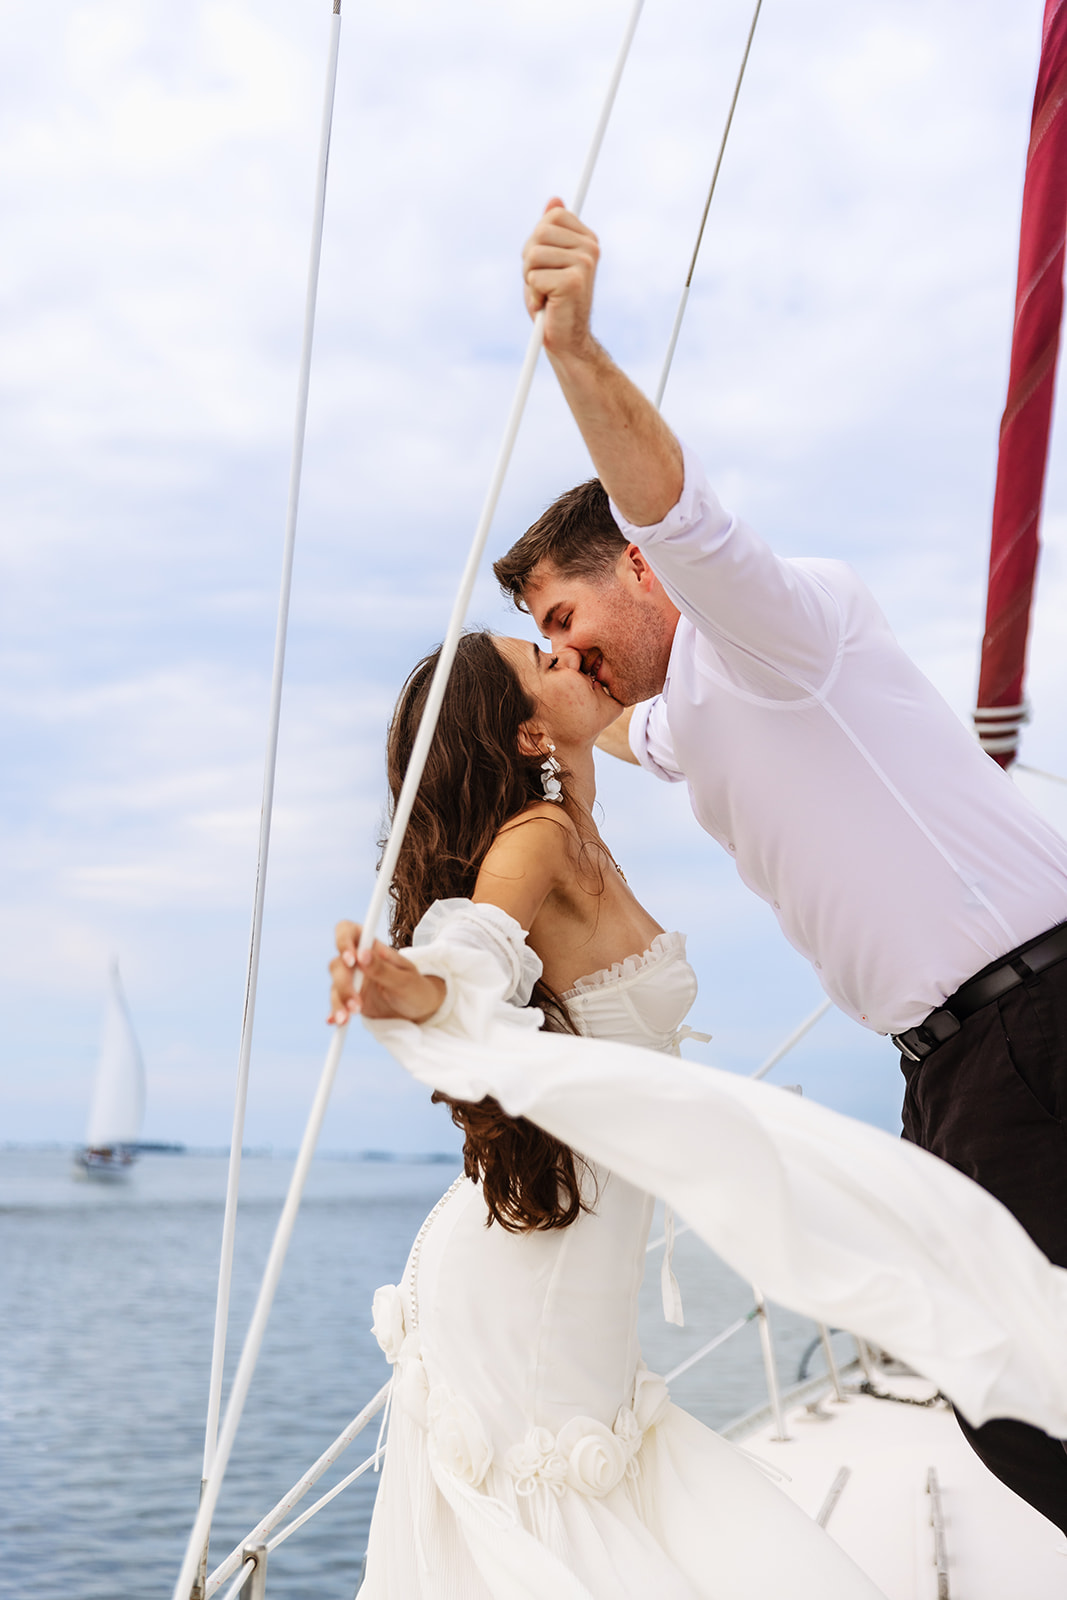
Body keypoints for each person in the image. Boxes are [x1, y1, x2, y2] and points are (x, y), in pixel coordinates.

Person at [487, 200, 1067, 1530]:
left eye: (562, 617)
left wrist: (574, 352)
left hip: (1029, 1025)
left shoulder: (773, 632)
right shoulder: (686, 716)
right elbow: (613, 727)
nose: (562, 651)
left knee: (1022, 1399)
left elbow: (678, 512)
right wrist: (530, 712)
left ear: (635, 573)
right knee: (996, 1390)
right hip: (957, 1066)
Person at [330, 631, 1067, 1600]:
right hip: (527, 1272)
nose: (568, 657)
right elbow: (479, 949)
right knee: (555, 1522)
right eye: (543, 662)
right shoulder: (537, 838)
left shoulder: (579, 828)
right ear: (523, 732)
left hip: (571, 1237)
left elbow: (696, 718)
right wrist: (408, 984)